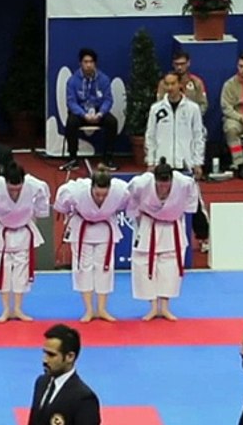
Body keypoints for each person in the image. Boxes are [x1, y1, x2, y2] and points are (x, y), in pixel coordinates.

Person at [0, 163, 51, 323]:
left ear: (23, 181)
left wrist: (35, 214)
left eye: (18, 188)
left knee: (21, 272)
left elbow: (43, 201)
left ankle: (18, 309)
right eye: (11, 188)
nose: (15, 191)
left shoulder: (35, 185)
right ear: (5, 182)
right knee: (3, 270)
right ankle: (6, 310)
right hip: (2, 230)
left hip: (23, 230)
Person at [126, 159, 199, 321]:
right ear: (155, 179)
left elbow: (192, 202)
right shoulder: (141, 183)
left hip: (172, 225)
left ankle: (165, 307)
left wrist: (181, 212)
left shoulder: (185, 183)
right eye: (160, 184)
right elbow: (130, 200)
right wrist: (137, 219)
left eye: (166, 184)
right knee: (144, 264)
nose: (163, 187)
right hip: (148, 224)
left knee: (170, 267)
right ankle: (152, 307)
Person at [54, 169, 130, 323]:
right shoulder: (76, 190)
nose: (101, 197)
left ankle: (102, 309)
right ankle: (89, 309)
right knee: (84, 268)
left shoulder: (120, 190)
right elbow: (61, 203)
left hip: (105, 228)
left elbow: (128, 203)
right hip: (82, 227)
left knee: (105, 267)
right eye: (97, 194)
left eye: (104, 194)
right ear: (91, 187)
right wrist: (68, 212)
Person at [145, 72, 206, 177]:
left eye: (173, 83)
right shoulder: (156, 109)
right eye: (167, 84)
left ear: (180, 85)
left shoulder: (193, 108)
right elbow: (150, 136)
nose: (170, 87)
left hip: (186, 164)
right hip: (162, 164)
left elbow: (198, 137)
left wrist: (198, 162)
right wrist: (151, 162)